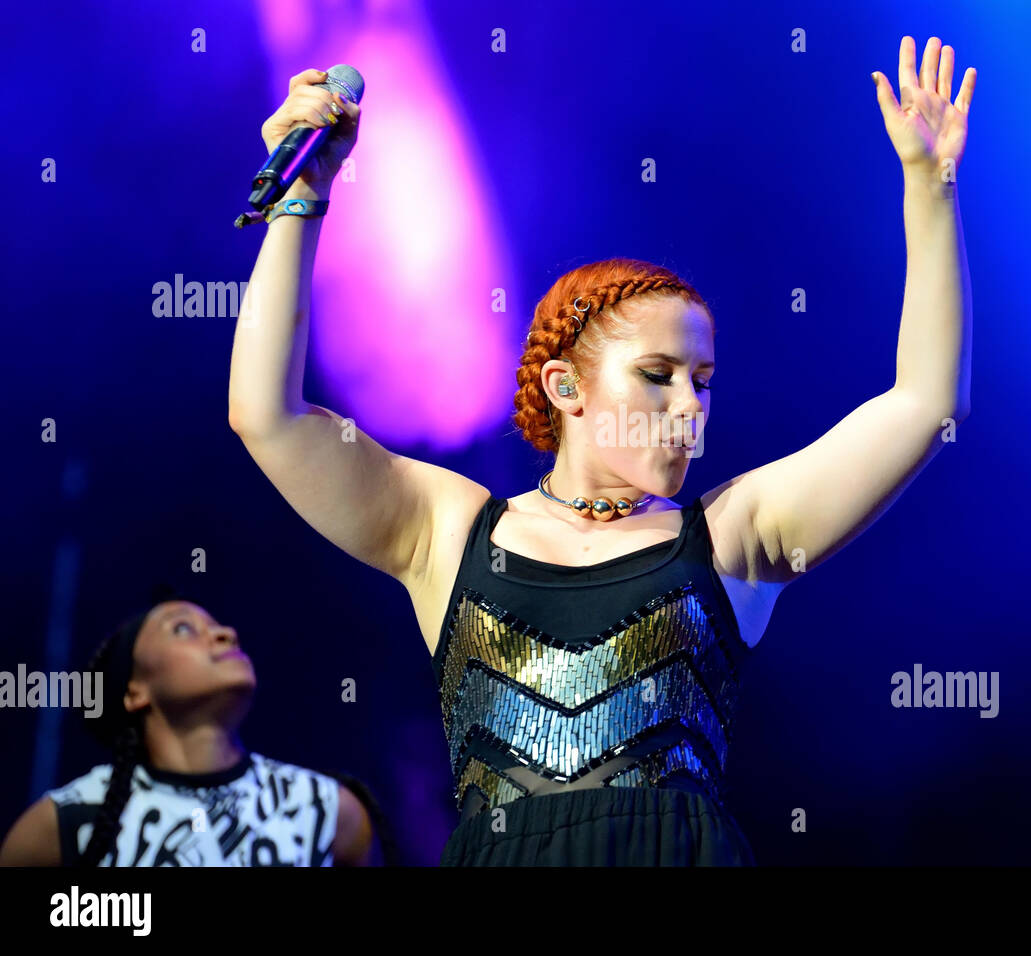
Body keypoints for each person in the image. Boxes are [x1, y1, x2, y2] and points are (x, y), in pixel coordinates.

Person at [226, 34, 975, 865]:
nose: (692, 406)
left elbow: (924, 402)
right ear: (565, 388)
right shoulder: (449, 532)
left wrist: (928, 185)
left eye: (705, 381)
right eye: (659, 375)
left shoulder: (731, 536)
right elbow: (270, 418)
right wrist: (304, 198)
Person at [0, 589, 394, 866]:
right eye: (183, 628)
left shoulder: (329, 810)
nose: (226, 634)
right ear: (135, 691)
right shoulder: (64, 823)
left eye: (219, 626)